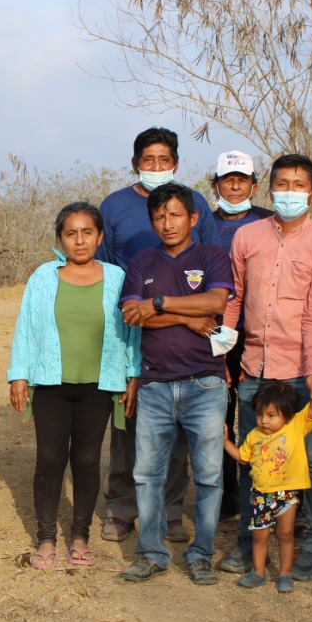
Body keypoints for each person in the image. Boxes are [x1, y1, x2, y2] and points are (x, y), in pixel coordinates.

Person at [218, 154, 312, 583]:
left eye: (298, 185)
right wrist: (222, 353)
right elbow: (234, 298)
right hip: (254, 367)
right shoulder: (248, 236)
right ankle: (248, 539)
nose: (290, 192)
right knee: (252, 457)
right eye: (283, 184)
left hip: (299, 373)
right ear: (270, 190)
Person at [96, 127, 220, 545]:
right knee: (127, 422)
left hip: (186, 334)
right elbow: (105, 271)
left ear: (176, 163)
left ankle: (171, 512)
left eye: (164, 160)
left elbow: (213, 274)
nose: (155, 166)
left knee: (178, 430)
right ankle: (121, 508)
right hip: (129, 324)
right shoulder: (114, 205)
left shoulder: (194, 202)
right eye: (147, 160)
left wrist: (176, 313)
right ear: (135, 163)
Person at [7, 203, 140, 568]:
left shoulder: (117, 278)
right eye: (71, 233)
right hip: (51, 384)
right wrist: (18, 374)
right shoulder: (43, 277)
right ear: (60, 239)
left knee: (86, 460)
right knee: (50, 460)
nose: (79, 240)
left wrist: (133, 375)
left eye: (87, 232)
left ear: (100, 236)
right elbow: (25, 327)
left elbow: (133, 332)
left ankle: (80, 536)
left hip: (99, 385)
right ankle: (46, 538)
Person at [117, 183, 233, 585]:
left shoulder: (212, 256)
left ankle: (201, 554)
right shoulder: (142, 261)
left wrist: (160, 303)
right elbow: (132, 314)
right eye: (160, 216)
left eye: (175, 215)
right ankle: (151, 553)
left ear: (193, 218)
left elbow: (215, 303)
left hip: (206, 384)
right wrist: (185, 316)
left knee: (209, 476)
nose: (168, 223)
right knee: (147, 474)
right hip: (155, 384)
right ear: (152, 222)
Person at [209, 150, 274, 520]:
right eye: (227, 179)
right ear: (215, 184)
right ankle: (226, 500)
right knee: (218, 417)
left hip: (258, 338)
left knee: (261, 418)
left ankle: (268, 497)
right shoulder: (202, 224)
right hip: (213, 334)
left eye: (242, 179)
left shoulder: (269, 221)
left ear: (254, 184)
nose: (234, 186)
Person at [223, 381, 312, 591]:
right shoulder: (254, 435)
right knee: (259, 535)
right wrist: (226, 442)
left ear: (287, 416)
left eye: (271, 415)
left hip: (286, 495)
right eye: (260, 414)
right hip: (261, 495)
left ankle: (285, 574)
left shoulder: (296, 426)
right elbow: (243, 458)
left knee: (286, 534)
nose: (264, 420)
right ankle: (258, 572)